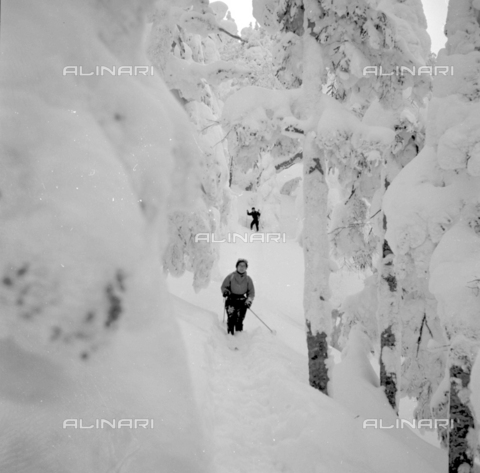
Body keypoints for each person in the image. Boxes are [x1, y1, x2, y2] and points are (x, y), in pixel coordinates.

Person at [220, 258, 255, 335]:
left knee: (239, 320)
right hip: (231, 300)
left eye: (244, 266)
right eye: (240, 265)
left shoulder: (248, 279)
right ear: (236, 266)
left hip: (242, 302)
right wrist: (226, 292)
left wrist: (248, 301)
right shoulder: (231, 276)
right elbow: (224, 287)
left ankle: (239, 338)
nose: (242, 267)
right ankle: (230, 336)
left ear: (246, 268)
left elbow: (251, 293)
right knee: (231, 318)